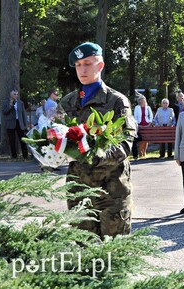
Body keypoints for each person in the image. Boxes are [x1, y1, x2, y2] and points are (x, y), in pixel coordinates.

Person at [59, 42, 137, 238]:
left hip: (111, 192)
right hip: (79, 190)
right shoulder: (68, 102)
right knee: (83, 252)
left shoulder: (116, 101)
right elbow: (60, 138)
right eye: (78, 65)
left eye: (87, 63)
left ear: (100, 66)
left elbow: (125, 143)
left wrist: (97, 155)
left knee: (113, 255)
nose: (82, 69)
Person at [2, 89, 29, 159]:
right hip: (10, 123)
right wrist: (10, 106)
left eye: (17, 94)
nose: (16, 96)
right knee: (12, 140)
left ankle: (25, 155)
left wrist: (25, 124)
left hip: (19, 123)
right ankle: (14, 155)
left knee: (22, 139)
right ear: (11, 95)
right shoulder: (6, 102)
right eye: (14, 94)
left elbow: (23, 114)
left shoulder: (20, 103)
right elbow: (4, 112)